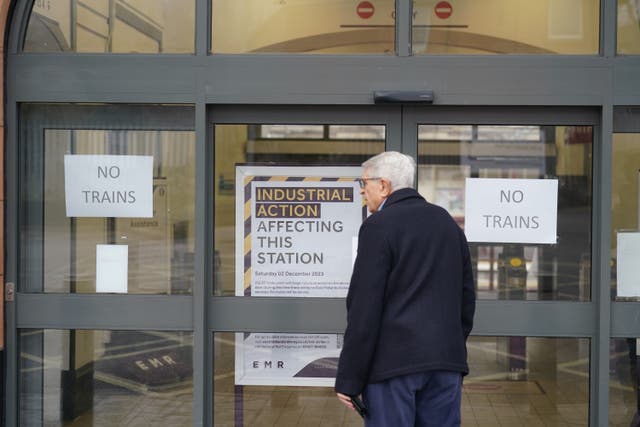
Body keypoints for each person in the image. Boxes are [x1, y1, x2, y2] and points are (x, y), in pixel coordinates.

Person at [335, 151, 476, 426]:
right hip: (445, 364)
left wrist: (349, 378)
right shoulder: (447, 223)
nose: (362, 190)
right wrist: (451, 345)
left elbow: (364, 309)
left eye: (364, 183)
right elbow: (466, 298)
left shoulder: (378, 226)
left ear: (384, 185)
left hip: (393, 368)